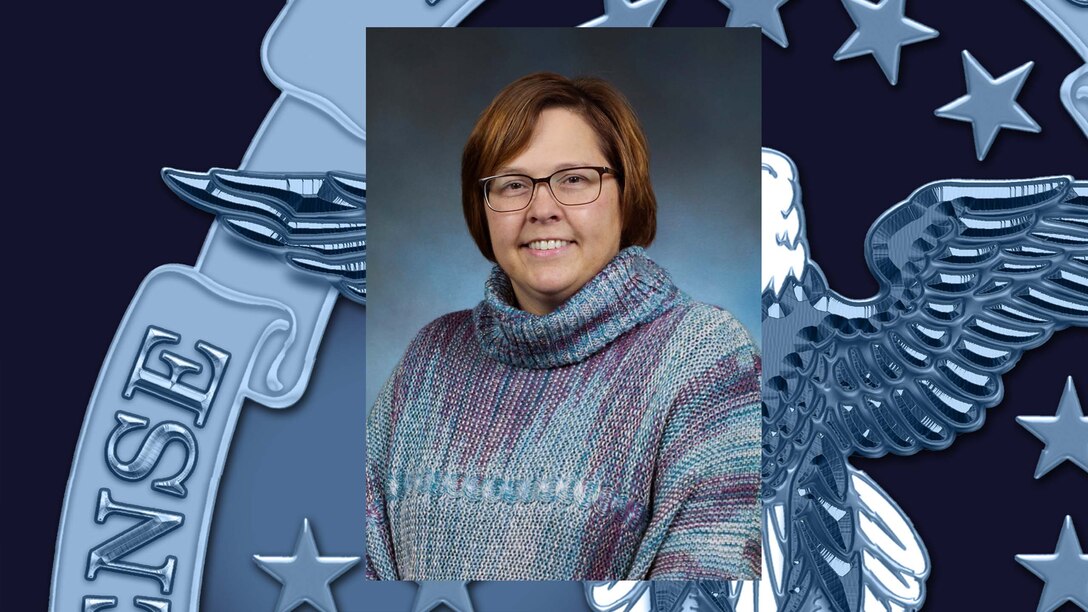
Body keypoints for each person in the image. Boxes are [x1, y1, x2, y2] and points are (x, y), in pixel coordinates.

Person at [365, 72, 761, 581]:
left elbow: (704, 588)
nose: (542, 209)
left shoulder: (706, 359)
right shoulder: (431, 358)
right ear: (481, 209)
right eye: (512, 184)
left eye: (574, 179)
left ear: (626, 192)